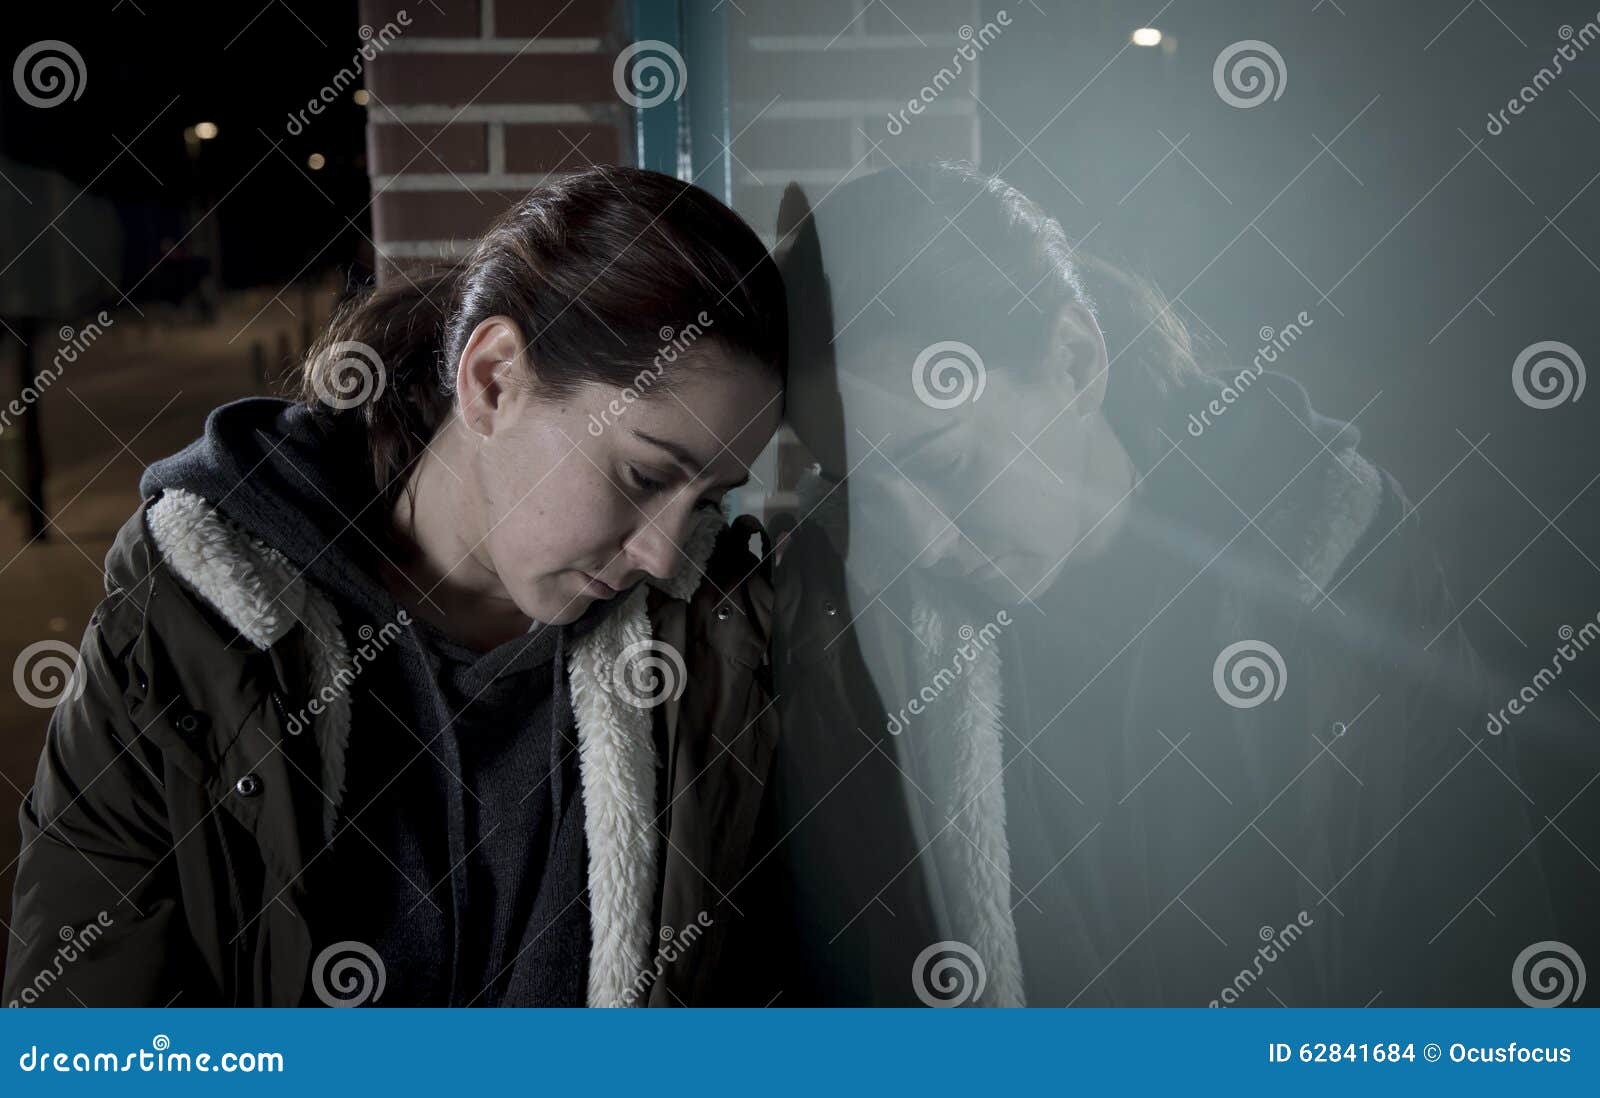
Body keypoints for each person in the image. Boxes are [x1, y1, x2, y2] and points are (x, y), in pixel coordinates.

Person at [768, 161, 1578, 1006]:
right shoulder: (842, 625)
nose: (921, 542)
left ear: (1076, 361)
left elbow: (1488, 942)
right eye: (860, 489)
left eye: (941, 460)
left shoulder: (1347, 556)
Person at [4, 166, 788, 1008]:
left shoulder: (706, 637)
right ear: (492, 380)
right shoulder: (191, 610)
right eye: (642, 474)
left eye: (708, 496)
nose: (665, 555)